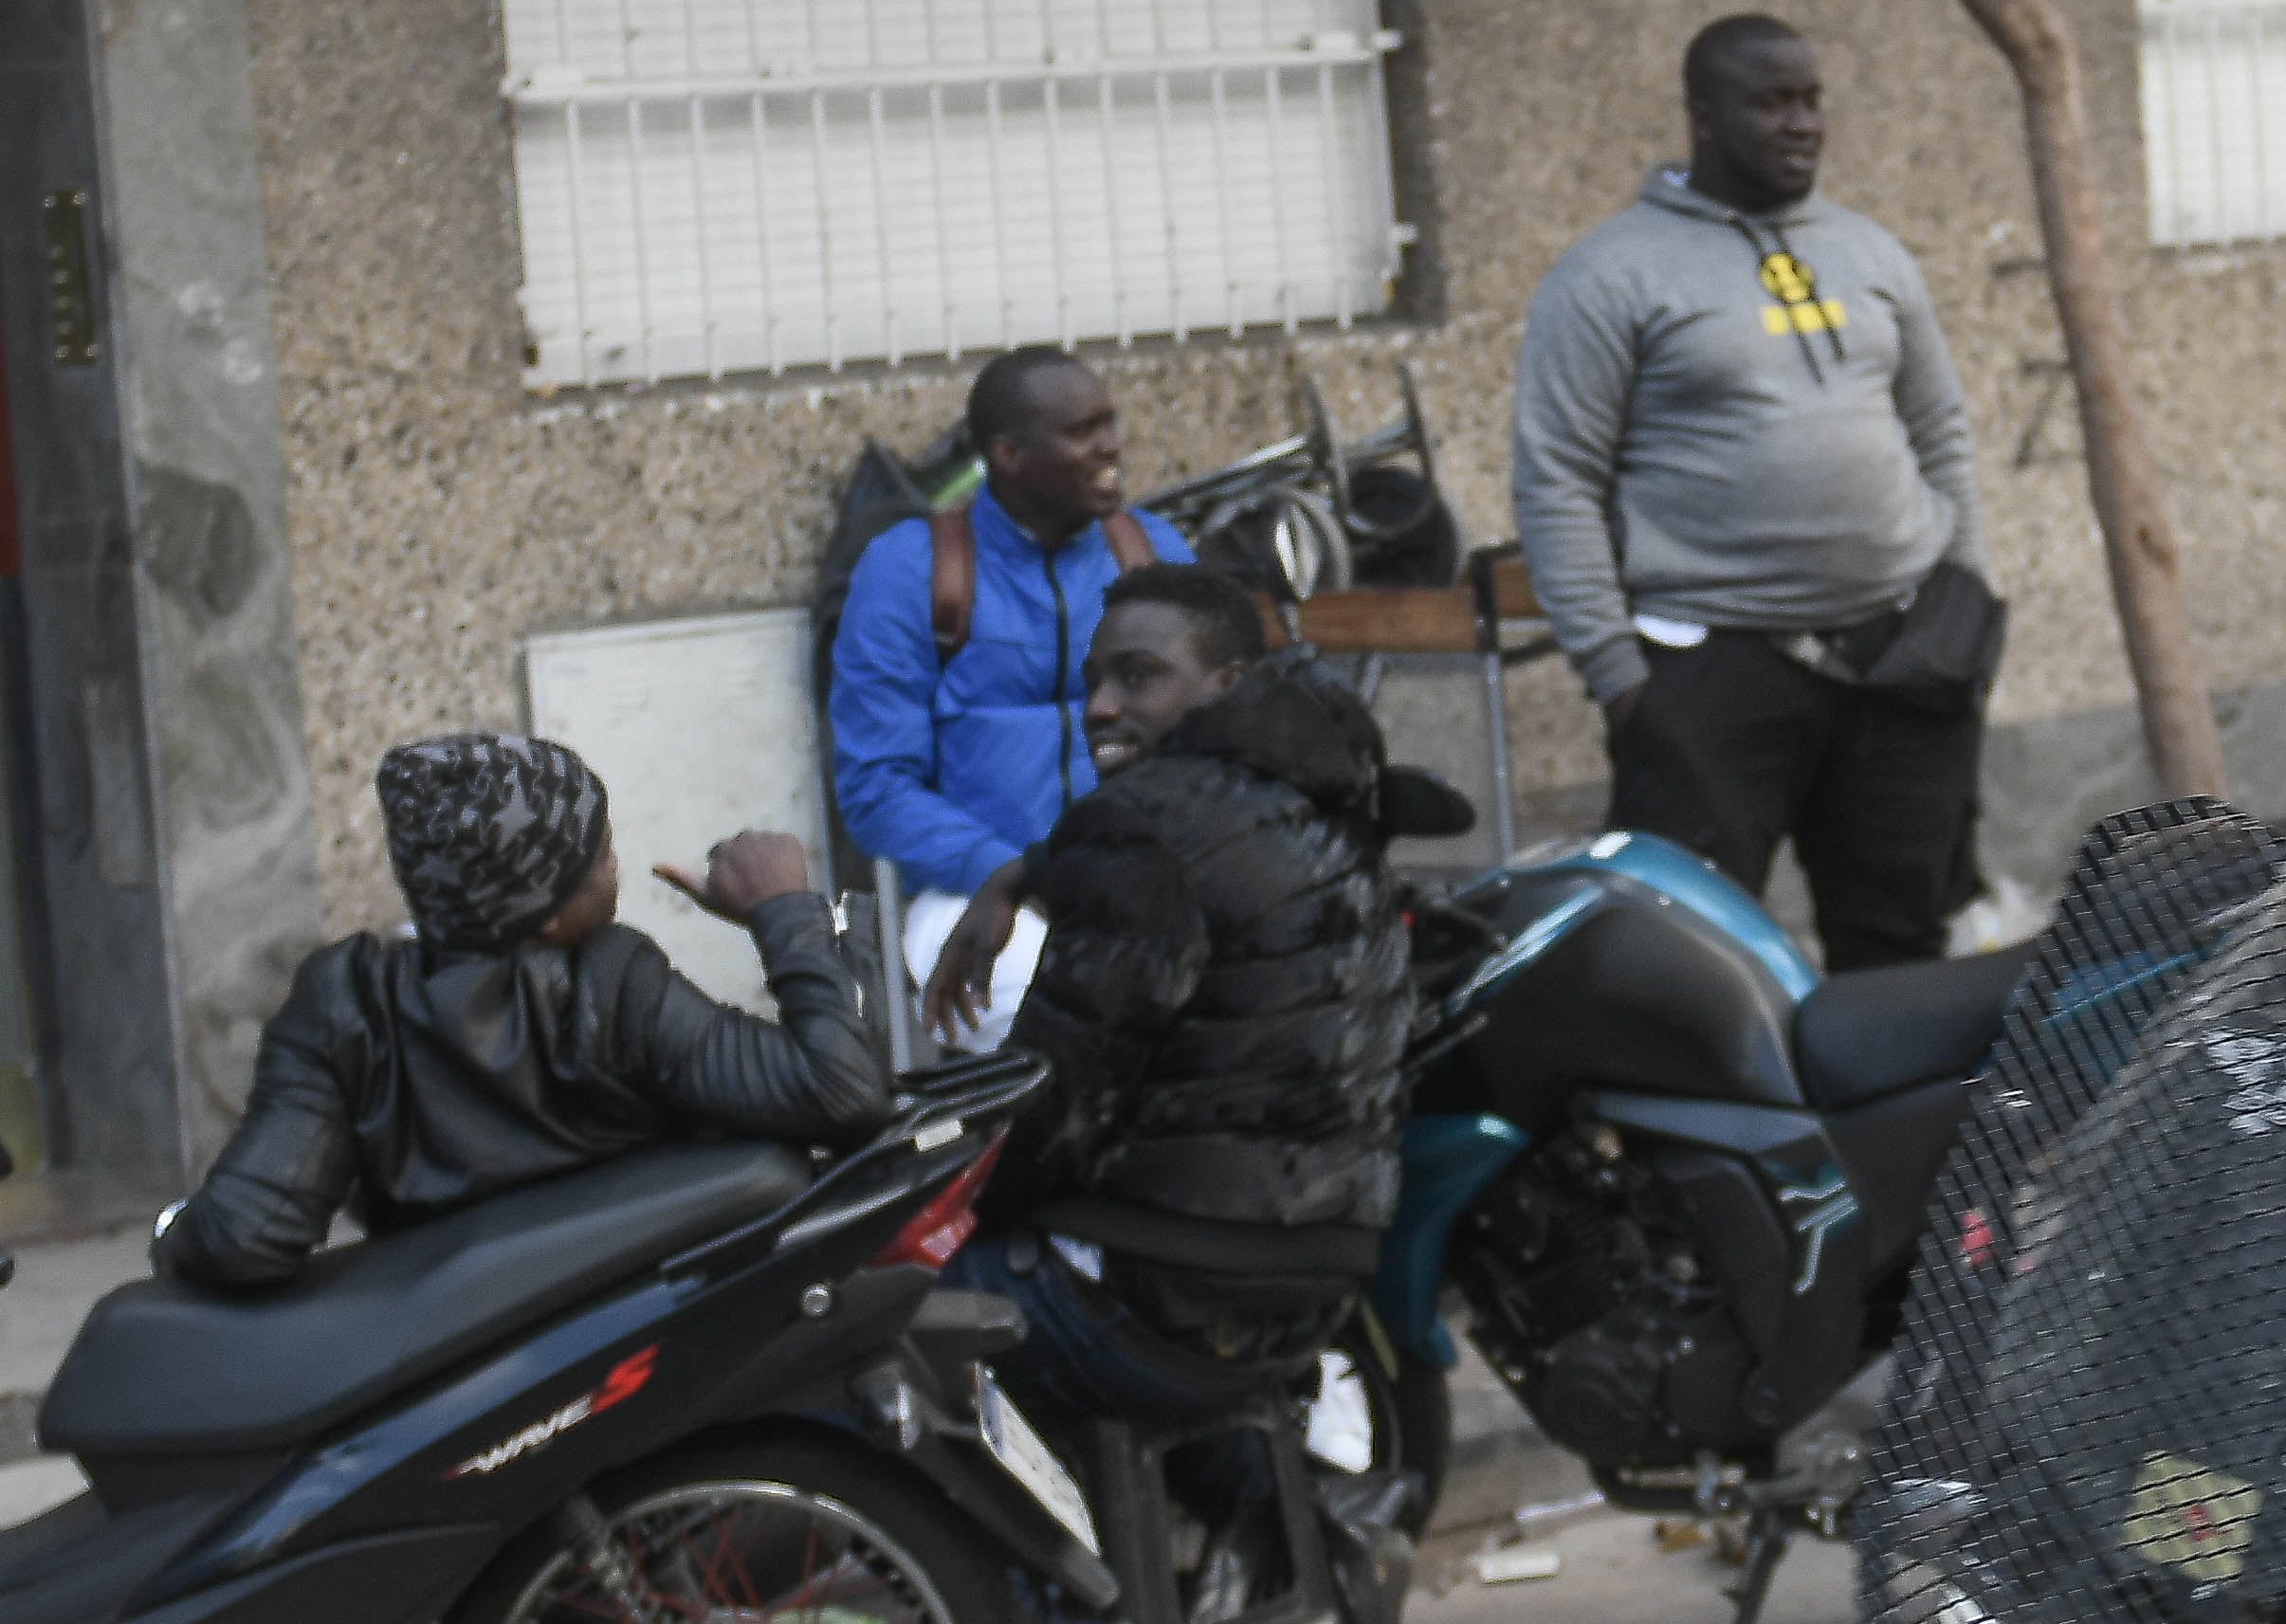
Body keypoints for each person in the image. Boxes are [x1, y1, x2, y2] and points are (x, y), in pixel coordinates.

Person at [1511, 13, 2000, 972]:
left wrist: (1965, 597)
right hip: (1710, 670)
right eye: (1770, 101)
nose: (1801, 122)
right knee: (1686, 953)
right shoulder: (1609, 273)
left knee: (1901, 948)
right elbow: (1556, 478)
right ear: (1701, 114)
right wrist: (1620, 681)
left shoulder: (1870, 252)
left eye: (1811, 98)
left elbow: (1939, 429)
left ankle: (1890, 1129)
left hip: (1903, 659)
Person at [937, 563, 1412, 1428]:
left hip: (1178, 1282)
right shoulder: (1320, 799)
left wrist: (962, 1206)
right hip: (1320, 1277)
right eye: (1093, 683)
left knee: (895, 1316)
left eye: (1139, 675)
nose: (1103, 708)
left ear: (1227, 686)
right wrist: (1023, 874)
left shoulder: (1144, 824)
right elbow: (1212, 860)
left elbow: (1058, 1096)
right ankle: (1269, 1519)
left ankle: (1018, 1572)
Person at [161, 733, 888, 1286]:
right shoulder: (611, 983)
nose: (615, 867)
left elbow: (246, 1233)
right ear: (542, 916)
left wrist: (174, 1233)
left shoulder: (344, 1000)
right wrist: (784, 911)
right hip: (628, 1321)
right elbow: (842, 1090)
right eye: (600, 856)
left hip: (448, 1364)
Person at [831, 346, 1192, 1050]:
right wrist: (1002, 871)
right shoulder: (912, 570)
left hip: (1145, 878)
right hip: (971, 886)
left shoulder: (1153, 554)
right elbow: (875, 787)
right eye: (1083, 432)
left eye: (1111, 424)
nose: (1111, 447)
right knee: (1064, 1014)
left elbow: (1218, 736)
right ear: (1009, 454)